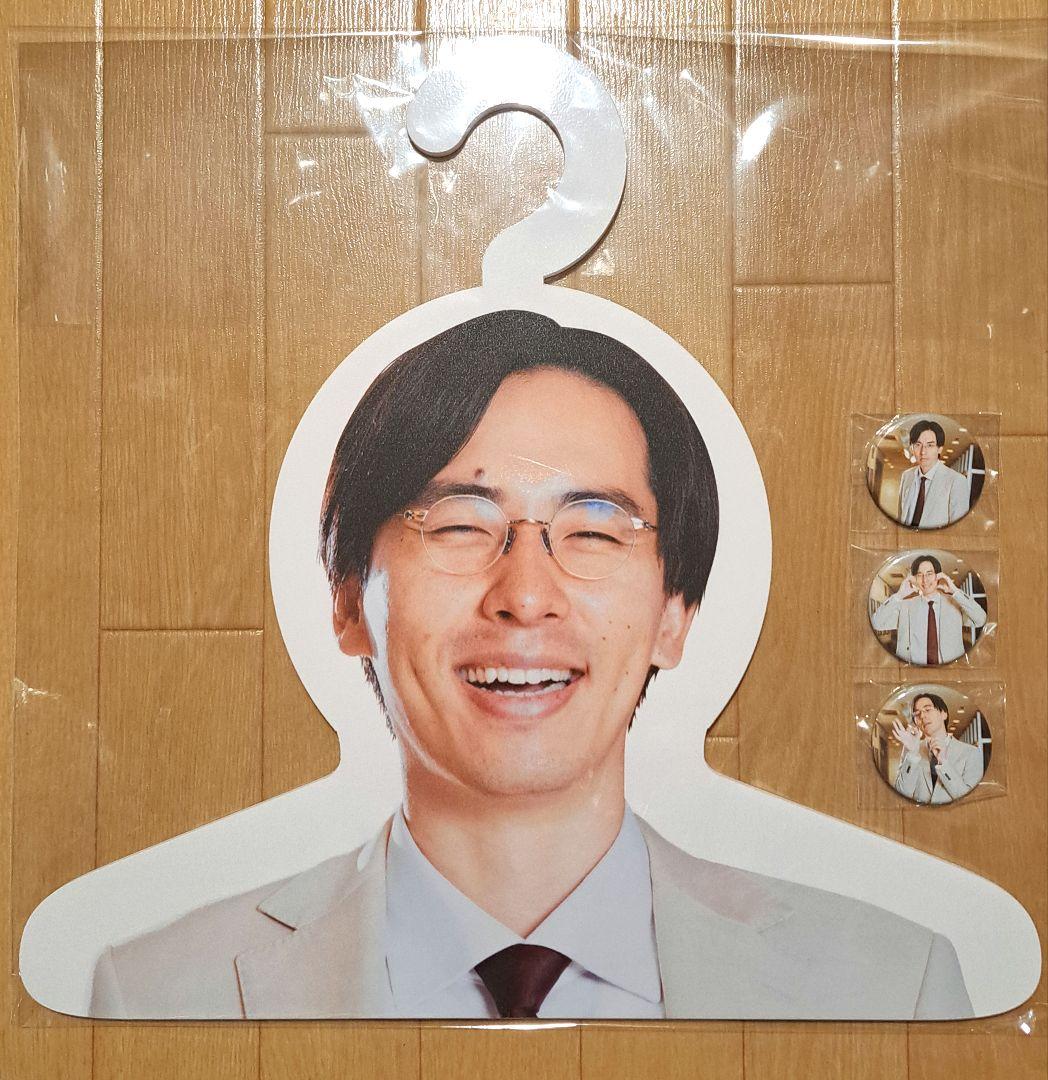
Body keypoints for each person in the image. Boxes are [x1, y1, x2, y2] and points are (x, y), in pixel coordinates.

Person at [89, 311, 974, 1021]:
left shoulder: (891, 989)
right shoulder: (159, 996)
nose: (524, 596)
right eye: (458, 525)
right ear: (350, 601)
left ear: (675, 614)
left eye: (593, 531)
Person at [871, 554, 987, 665]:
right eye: (919, 575)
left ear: (938, 576)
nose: (925, 580)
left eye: (929, 574)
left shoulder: (955, 604)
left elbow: (981, 619)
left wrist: (955, 591)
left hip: (951, 669)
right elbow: (877, 623)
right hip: (913, 670)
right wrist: (899, 595)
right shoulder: (905, 606)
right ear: (915, 578)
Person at [893, 692, 985, 805]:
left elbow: (971, 800)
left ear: (943, 714)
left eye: (927, 710)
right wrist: (912, 753)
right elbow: (902, 794)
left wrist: (944, 763)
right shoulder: (911, 750)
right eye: (917, 713)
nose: (922, 716)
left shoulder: (971, 753)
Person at [897, 419, 970, 528]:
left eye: (930, 445)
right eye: (918, 445)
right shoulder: (906, 476)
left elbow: (958, 529)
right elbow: (900, 517)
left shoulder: (957, 481)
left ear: (939, 449)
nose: (923, 452)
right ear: (912, 448)